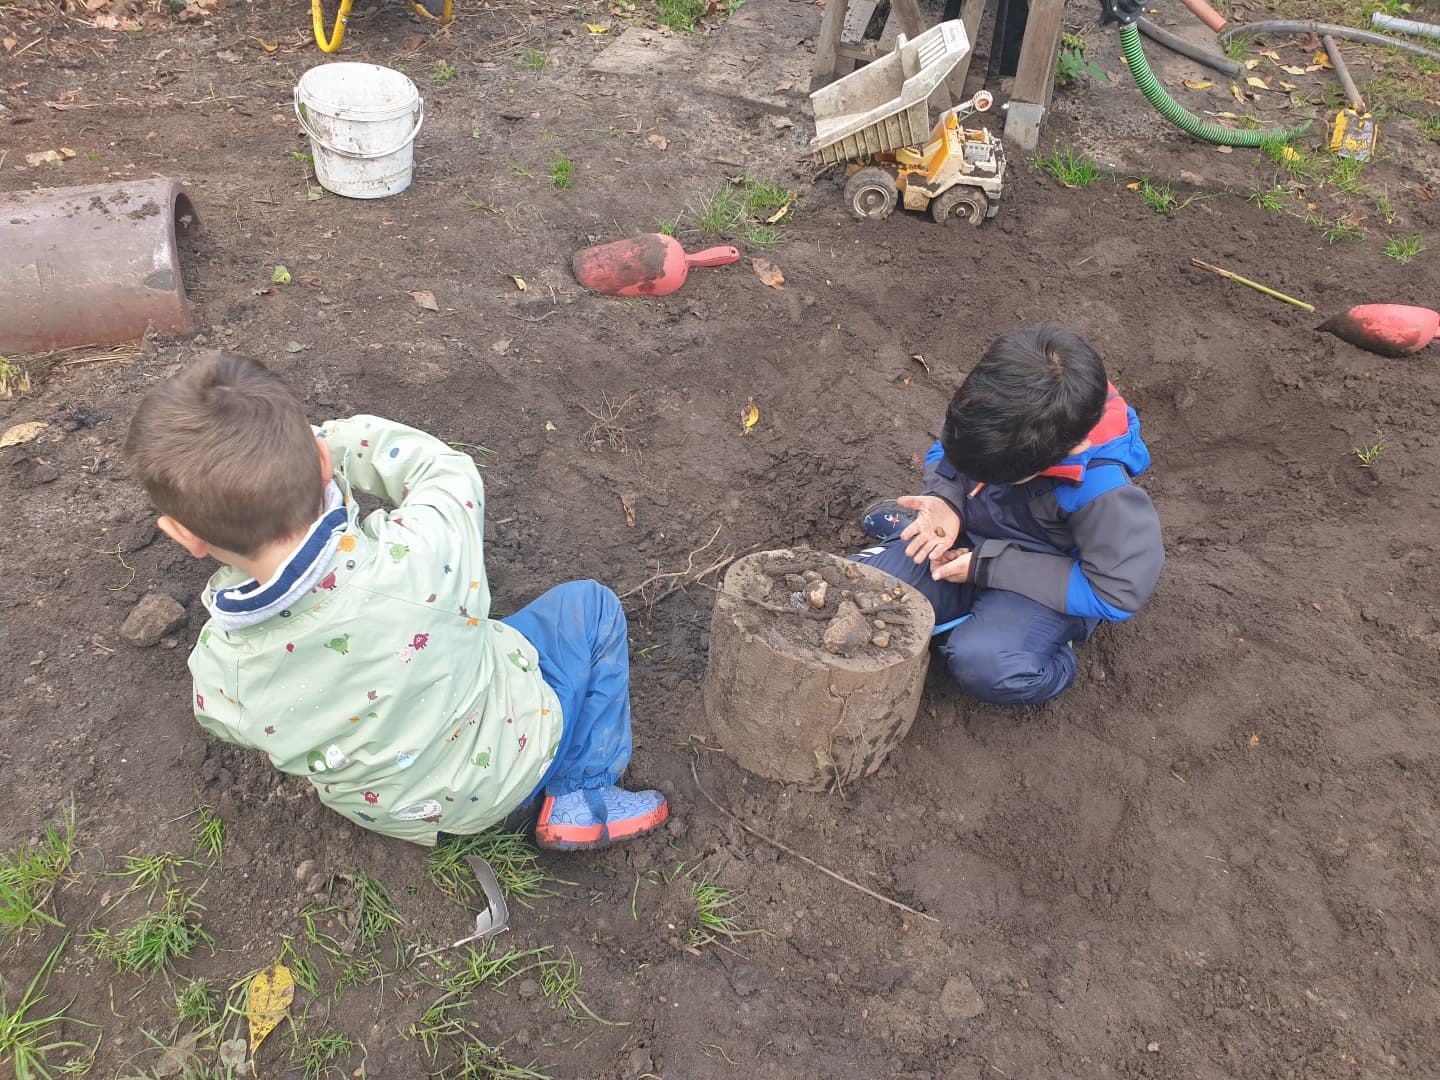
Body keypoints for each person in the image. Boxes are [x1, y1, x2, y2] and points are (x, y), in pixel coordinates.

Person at [123, 352, 668, 850]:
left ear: (184, 535)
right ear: (323, 460)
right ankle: (580, 793)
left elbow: (220, 722)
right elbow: (445, 469)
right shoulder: (423, 552)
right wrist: (328, 440)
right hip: (514, 761)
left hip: (403, 814)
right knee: (589, 607)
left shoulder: (221, 670)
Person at [855, 326, 1163, 705]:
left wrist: (989, 567)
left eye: (992, 475)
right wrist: (946, 500)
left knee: (986, 664)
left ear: (1072, 449)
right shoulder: (995, 409)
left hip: (1041, 581)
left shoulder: (1104, 493)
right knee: (861, 592)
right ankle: (936, 558)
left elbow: (1116, 591)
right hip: (969, 538)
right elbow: (946, 455)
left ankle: (1049, 653)